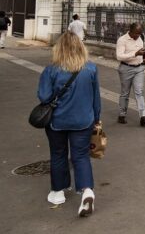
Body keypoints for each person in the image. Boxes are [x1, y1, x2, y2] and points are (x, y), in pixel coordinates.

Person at [36, 31, 101, 217]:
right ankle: (87, 190)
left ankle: (58, 192)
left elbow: (44, 96)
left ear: (59, 48)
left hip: (57, 120)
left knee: (58, 154)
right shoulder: (90, 68)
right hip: (83, 120)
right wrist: (97, 118)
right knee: (81, 156)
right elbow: (96, 97)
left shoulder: (52, 69)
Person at [115, 23, 145, 127]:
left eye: (140, 33)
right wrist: (135, 54)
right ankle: (122, 114)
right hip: (126, 68)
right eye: (136, 33)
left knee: (139, 92)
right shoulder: (122, 40)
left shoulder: (141, 37)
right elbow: (119, 56)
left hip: (139, 68)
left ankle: (143, 116)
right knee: (125, 93)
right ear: (130, 31)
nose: (138, 35)